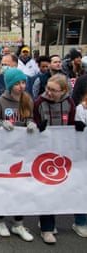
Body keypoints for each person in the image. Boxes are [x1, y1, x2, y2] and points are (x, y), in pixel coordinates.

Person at [33, 74, 87, 243]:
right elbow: (33, 122)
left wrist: (75, 126)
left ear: (63, 91)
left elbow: (70, 122)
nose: (48, 92)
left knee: (73, 184)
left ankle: (80, 222)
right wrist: (36, 127)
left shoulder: (69, 103)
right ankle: (47, 227)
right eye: (47, 88)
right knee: (48, 188)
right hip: (45, 152)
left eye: (53, 90)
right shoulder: (39, 103)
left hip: (65, 152)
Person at [0, 68, 35, 242]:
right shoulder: (1, 101)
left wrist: (31, 123)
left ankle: (18, 222)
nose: (21, 86)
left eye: (23, 82)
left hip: (22, 151)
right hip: (4, 151)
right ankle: (0, 220)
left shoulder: (27, 99)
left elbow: (30, 117)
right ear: (9, 85)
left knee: (21, 188)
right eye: (17, 83)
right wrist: (1, 124)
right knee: (3, 187)